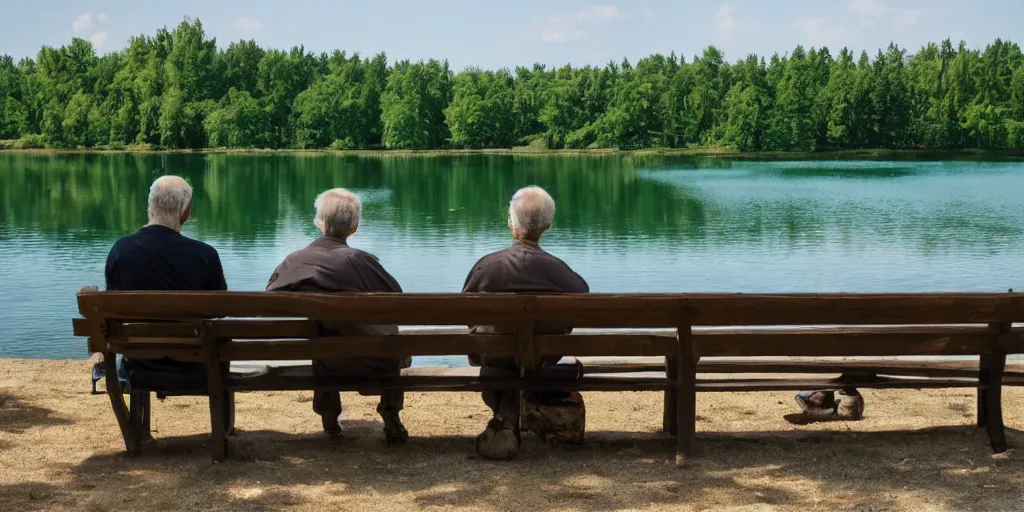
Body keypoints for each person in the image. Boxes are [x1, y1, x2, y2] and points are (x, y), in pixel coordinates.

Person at [266, 188, 409, 445]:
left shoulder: (294, 262)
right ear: (354, 227)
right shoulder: (363, 262)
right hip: (375, 362)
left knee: (323, 336)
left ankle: (330, 419)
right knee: (392, 341)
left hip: (327, 363)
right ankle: (390, 413)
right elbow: (396, 300)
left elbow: (270, 299)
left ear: (319, 222)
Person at [462, 185, 589, 460]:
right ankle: (509, 418)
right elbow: (584, 301)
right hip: (543, 357)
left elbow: (464, 311)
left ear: (511, 224)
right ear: (548, 225)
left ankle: (505, 419)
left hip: (495, 355)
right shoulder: (560, 271)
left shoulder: (487, 267)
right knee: (524, 359)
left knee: (496, 368)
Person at [105, 175, 227, 391]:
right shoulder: (205, 255)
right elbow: (220, 309)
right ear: (186, 212)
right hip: (197, 364)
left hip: (138, 363)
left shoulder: (121, 251)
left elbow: (112, 310)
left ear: (150, 205)